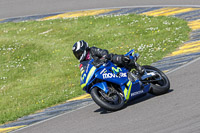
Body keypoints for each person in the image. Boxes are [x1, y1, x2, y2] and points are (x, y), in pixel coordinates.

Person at [72, 40, 144, 76]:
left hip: (108, 62)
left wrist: (104, 57)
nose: (78, 55)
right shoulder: (82, 63)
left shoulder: (92, 50)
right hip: (101, 71)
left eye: (79, 53)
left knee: (118, 58)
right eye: (76, 54)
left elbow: (103, 52)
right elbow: (84, 73)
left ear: (83, 49)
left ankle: (137, 66)